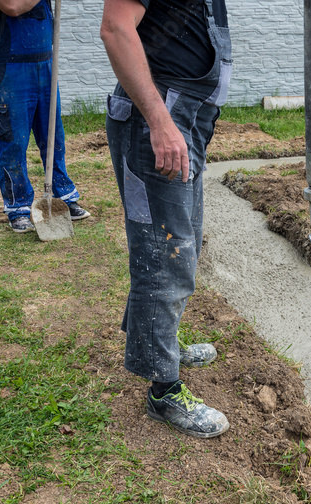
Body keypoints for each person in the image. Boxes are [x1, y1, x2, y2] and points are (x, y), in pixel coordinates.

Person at [100, 0, 232, 438]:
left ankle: (161, 342)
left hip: (185, 118)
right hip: (158, 120)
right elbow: (117, 29)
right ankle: (164, 389)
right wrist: (159, 121)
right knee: (163, 252)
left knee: (181, 244)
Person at [0, 0, 91, 233]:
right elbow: (12, 6)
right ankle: (18, 207)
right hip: (7, 68)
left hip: (45, 63)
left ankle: (63, 195)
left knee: (53, 137)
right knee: (14, 143)